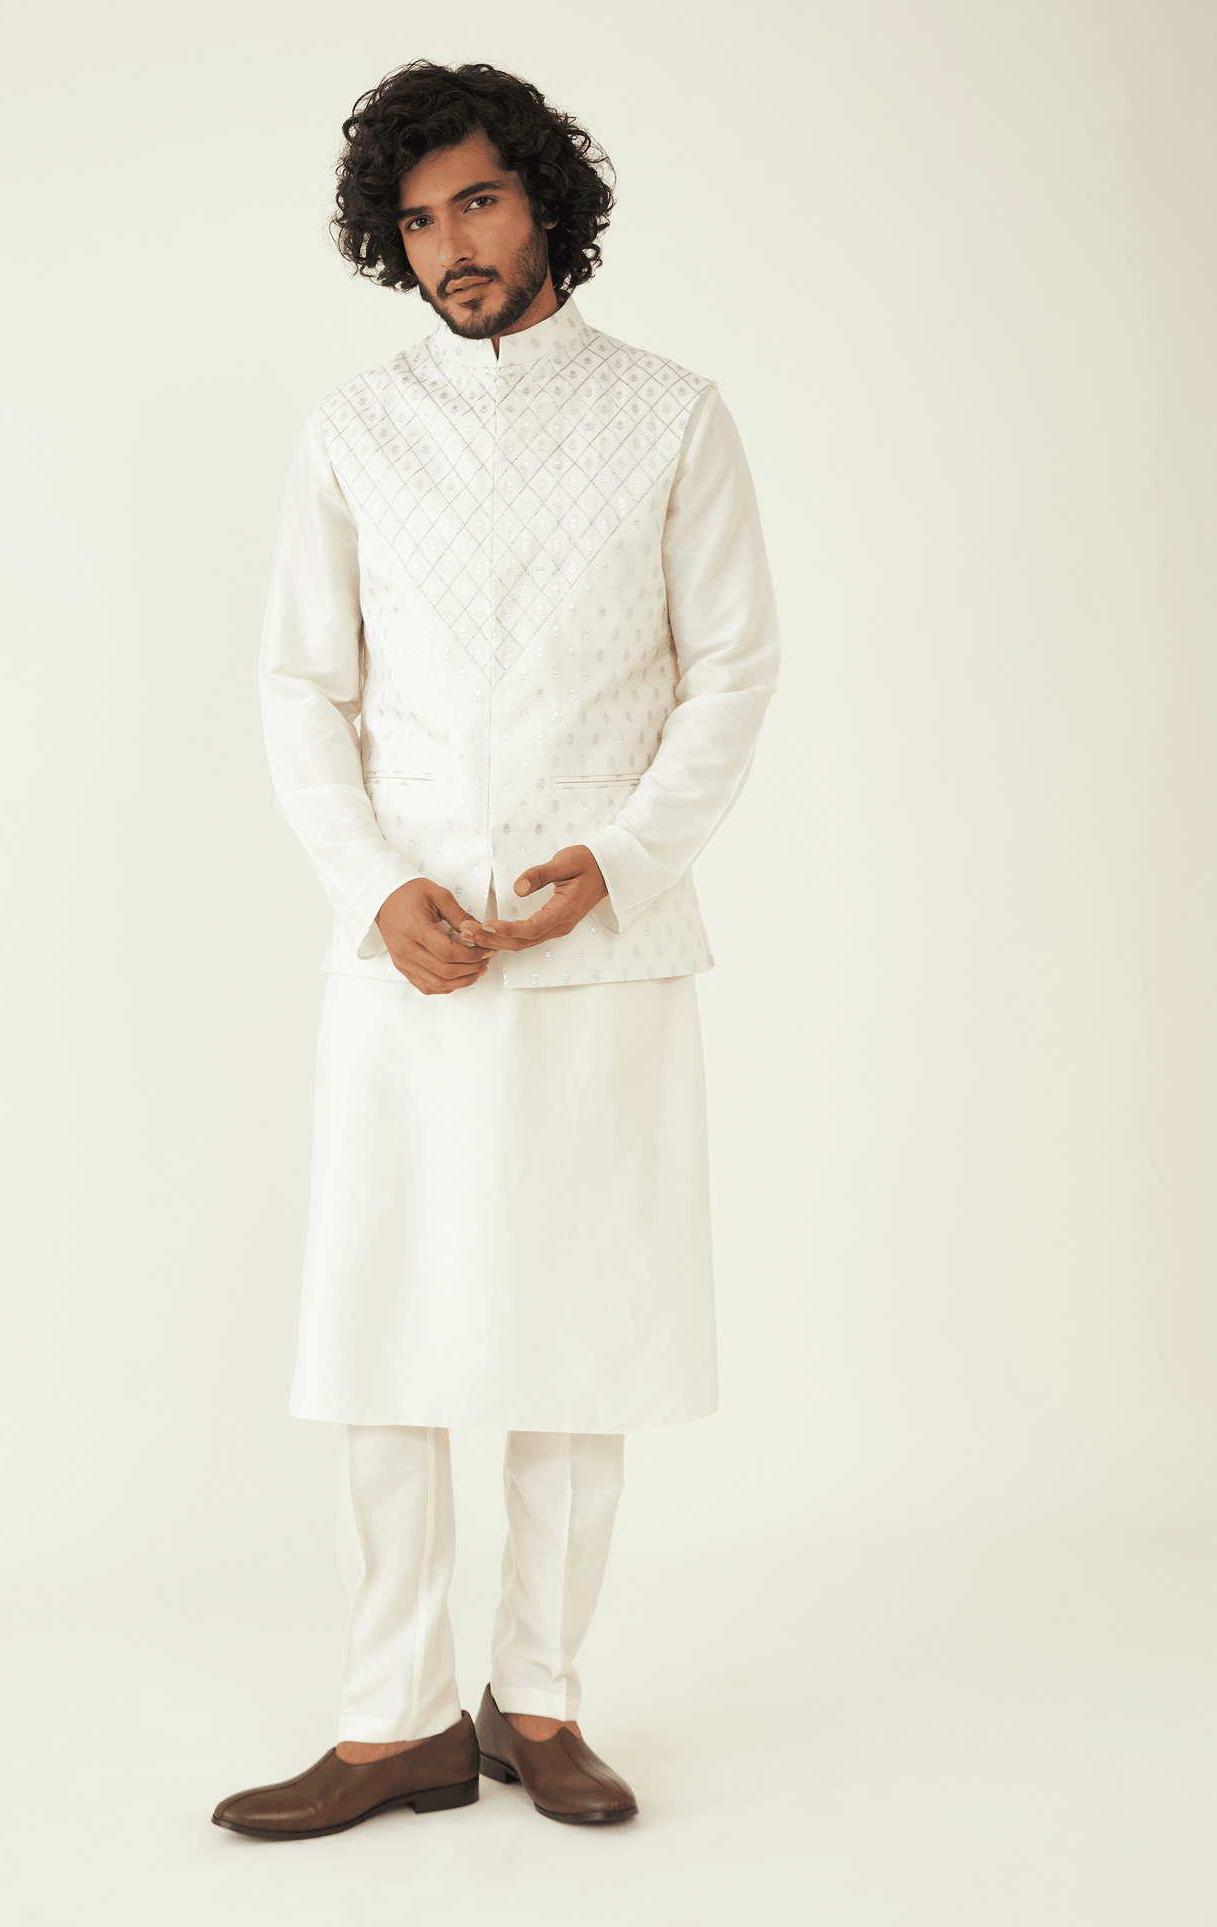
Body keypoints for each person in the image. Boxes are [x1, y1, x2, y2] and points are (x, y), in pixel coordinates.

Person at [212, 59, 779, 1841]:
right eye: (417, 219)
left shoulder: (673, 415)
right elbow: (301, 688)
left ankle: (537, 1696)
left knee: (579, 1331)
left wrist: (620, 860)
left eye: (478, 200)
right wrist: (373, 887)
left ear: (544, 202)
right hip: (405, 958)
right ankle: (393, 1717)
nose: (451, 244)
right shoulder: (353, 432)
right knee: (385, 1325)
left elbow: (733, 671)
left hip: (602, 949)